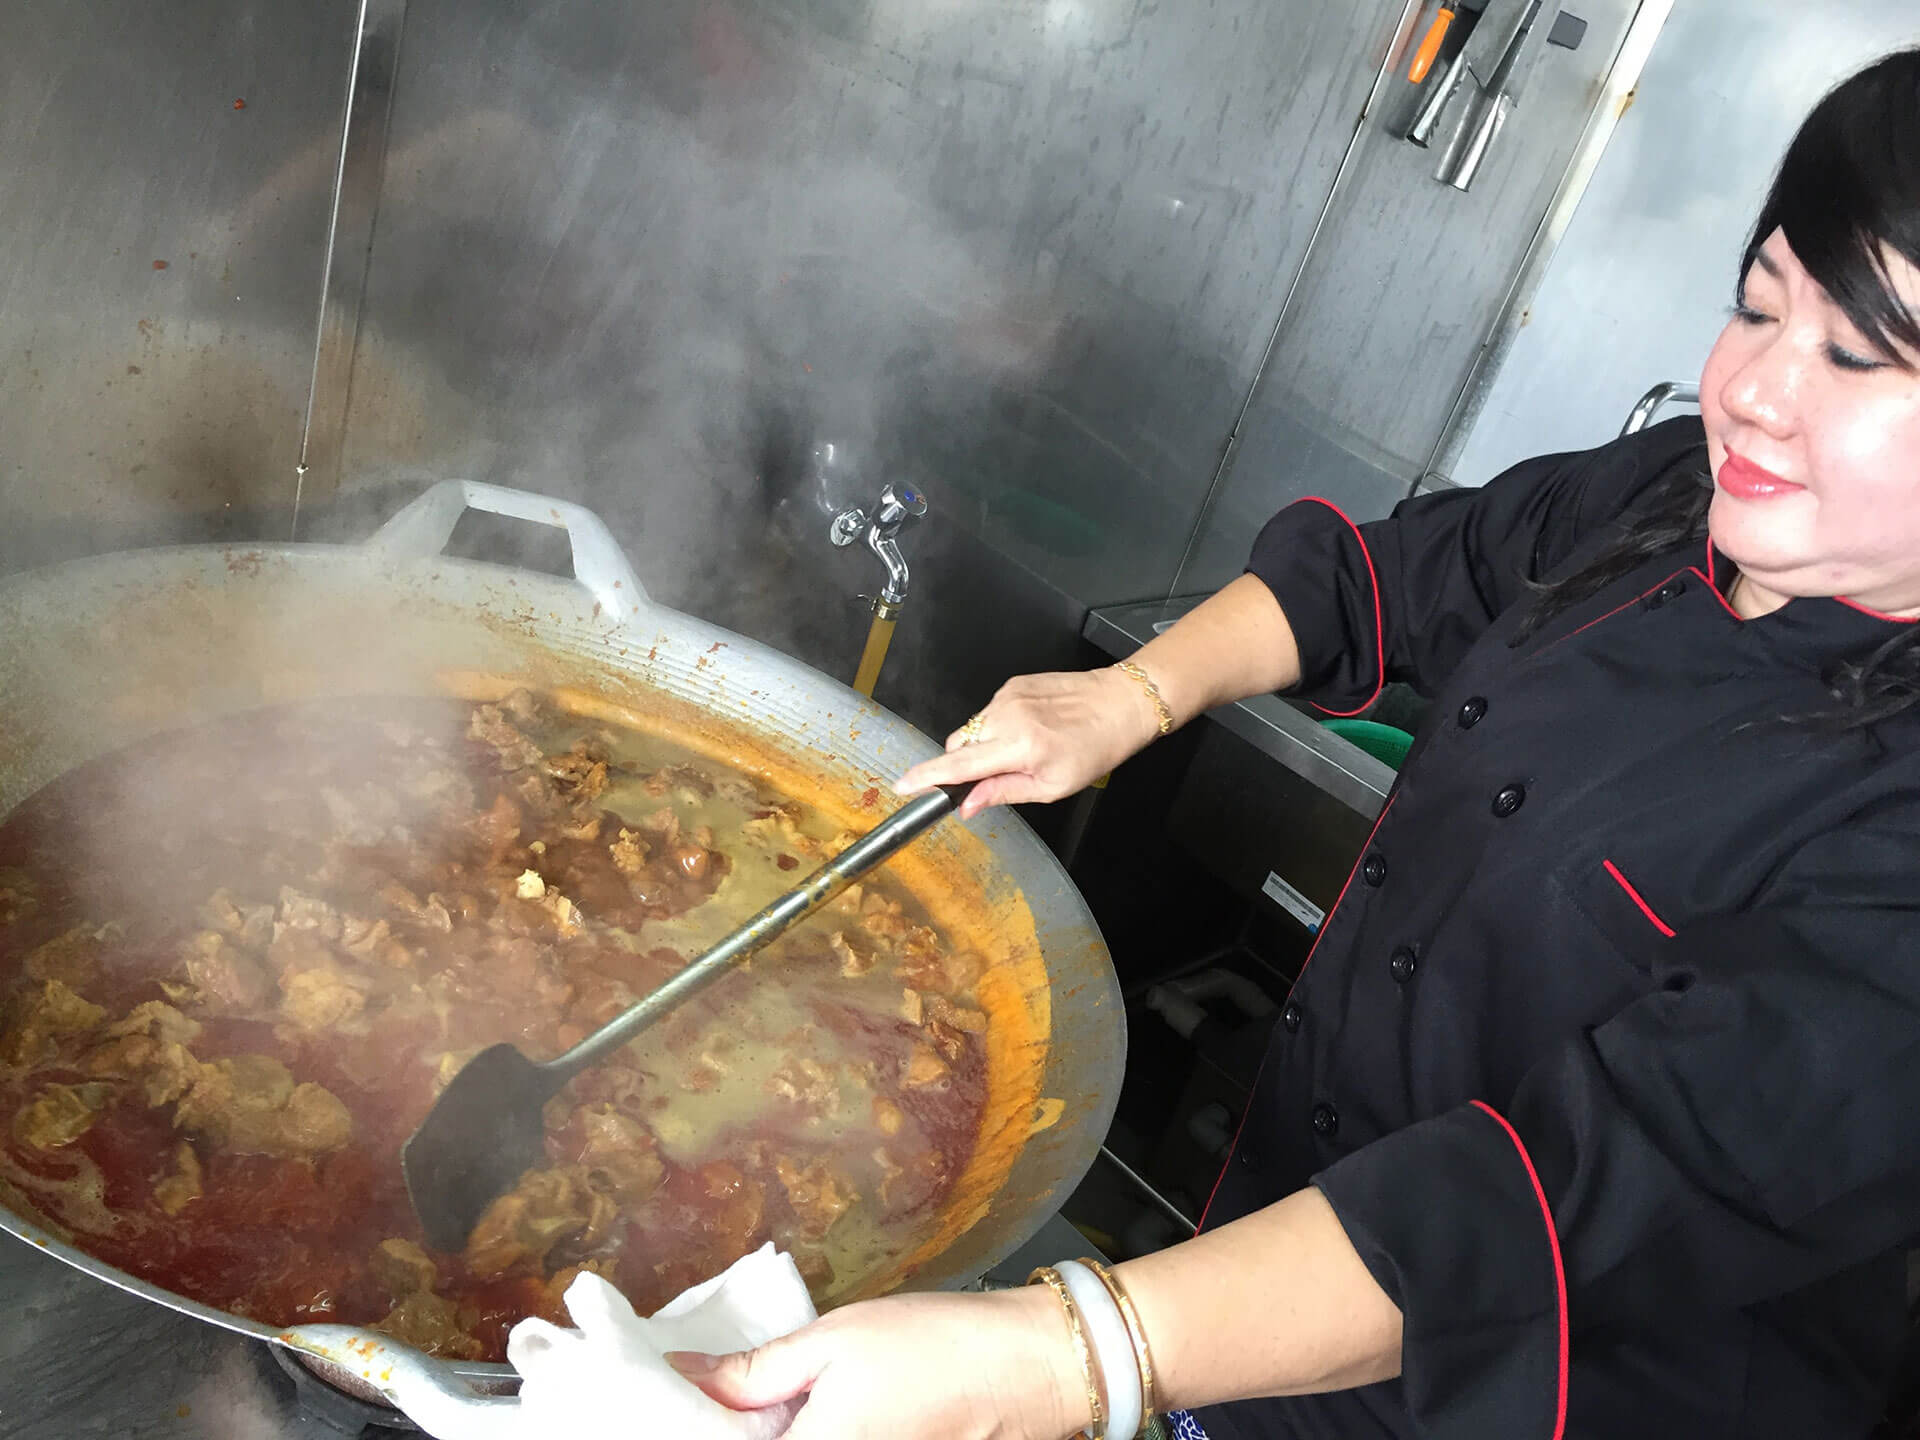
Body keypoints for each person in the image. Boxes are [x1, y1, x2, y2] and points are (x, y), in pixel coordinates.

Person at [669, 48, 1920, 1440]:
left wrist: (1076, 1356)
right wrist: (1129, 698)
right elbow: (1384, 578)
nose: (1750, 389)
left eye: (1855, 354)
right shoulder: (1667, 496)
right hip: (1249, 1319)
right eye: (1754, 306)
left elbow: (1555, 1199)